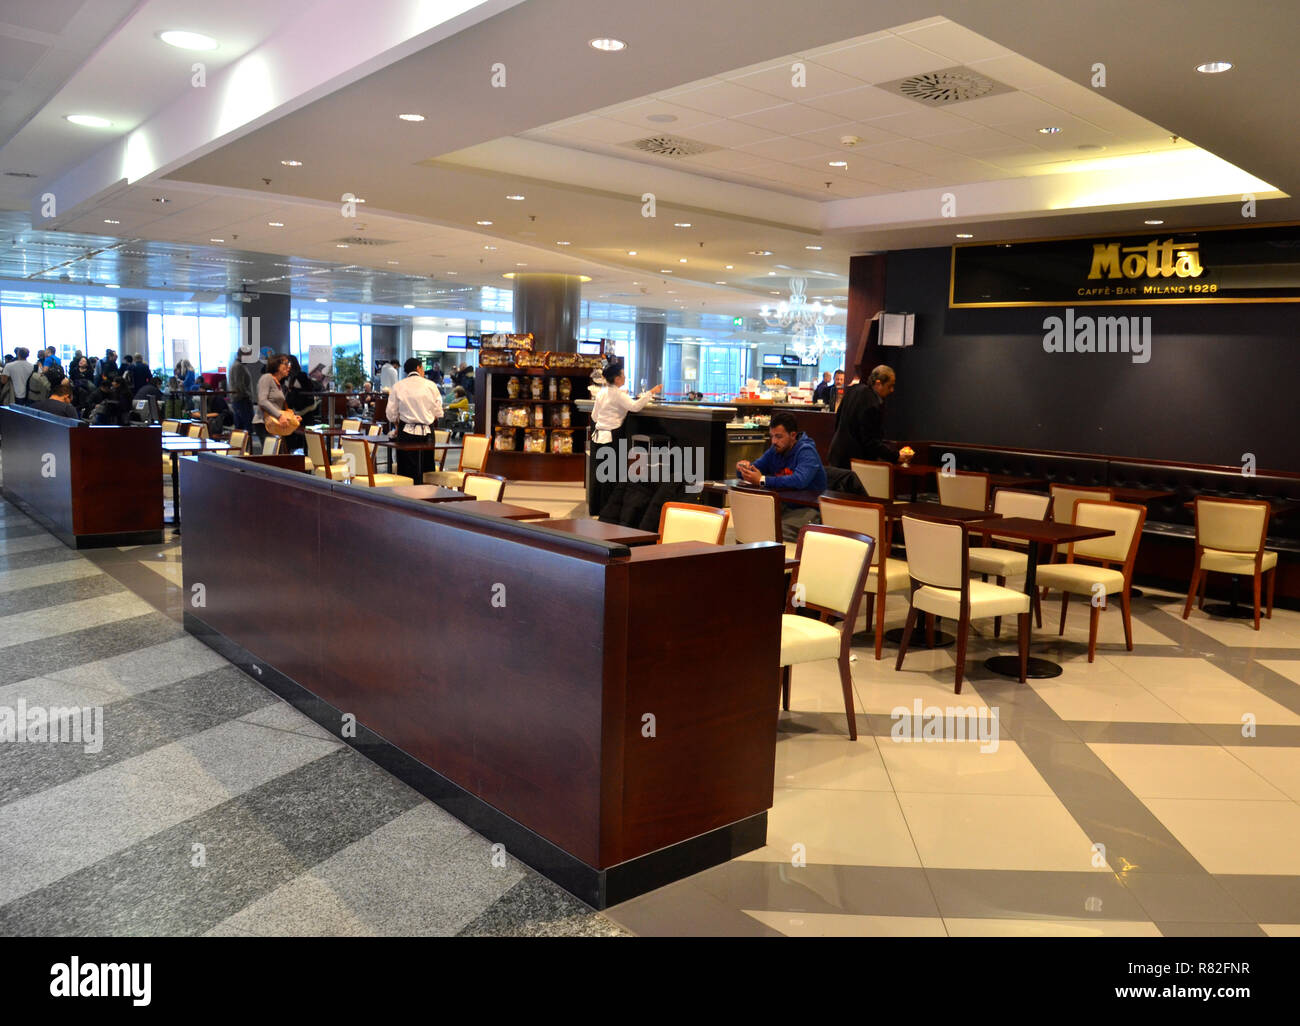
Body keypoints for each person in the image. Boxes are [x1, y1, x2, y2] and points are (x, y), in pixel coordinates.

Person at [737, 411, 828, 541]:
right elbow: (756, 468)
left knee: (776, 533)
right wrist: (743, 469)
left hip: (809, 508)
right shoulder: (775, 450)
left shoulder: (806, 451)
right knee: (753, 526)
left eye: (779, 436)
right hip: (783, 505)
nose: (774, 441)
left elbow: (799, 480)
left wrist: (762, 480)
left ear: (793, 435)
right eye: (772, 436)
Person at [589, 358, 663, 513]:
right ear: (616, 378)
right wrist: (651, 392)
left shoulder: (602, 393)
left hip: (597, 437)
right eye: (623, 375)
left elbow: (594, 417)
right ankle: (609, 509)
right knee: (611, 475)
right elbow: (635, 407)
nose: (625, 378)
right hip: (612, 437)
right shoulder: (618, 394)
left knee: (599, 475)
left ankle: (597, 508)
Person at [828, 364, 899, 468]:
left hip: (837, 453)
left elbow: (838, 419)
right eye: (890, 386)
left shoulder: (853, 390)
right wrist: (895, 456)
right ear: (878, 383)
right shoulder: (872, 404)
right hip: (854, 461)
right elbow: (870, 441)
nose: (892, 390)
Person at [385, 357, 444, 482]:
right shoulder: (431, 385)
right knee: (426, 469)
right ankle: (426, 498)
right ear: (418, 368)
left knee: (406, 471)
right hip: (427, 432)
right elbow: (438, 411)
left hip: (406, 432)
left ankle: (406, 499)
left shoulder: (398, 386)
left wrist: (397, 422)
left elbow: (390, 413)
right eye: (422, 368)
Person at [254, 354, 297, 448]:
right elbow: (262, 401)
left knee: (276, 455)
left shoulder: (278, 383)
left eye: (288, 364)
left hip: (273, 423)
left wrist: (290, 417)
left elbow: (277, 406)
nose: (288, 366)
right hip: (264, 423)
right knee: (272, 456)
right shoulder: (267, 378)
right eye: (285, 364)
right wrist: (280, 416)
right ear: (276, 365)